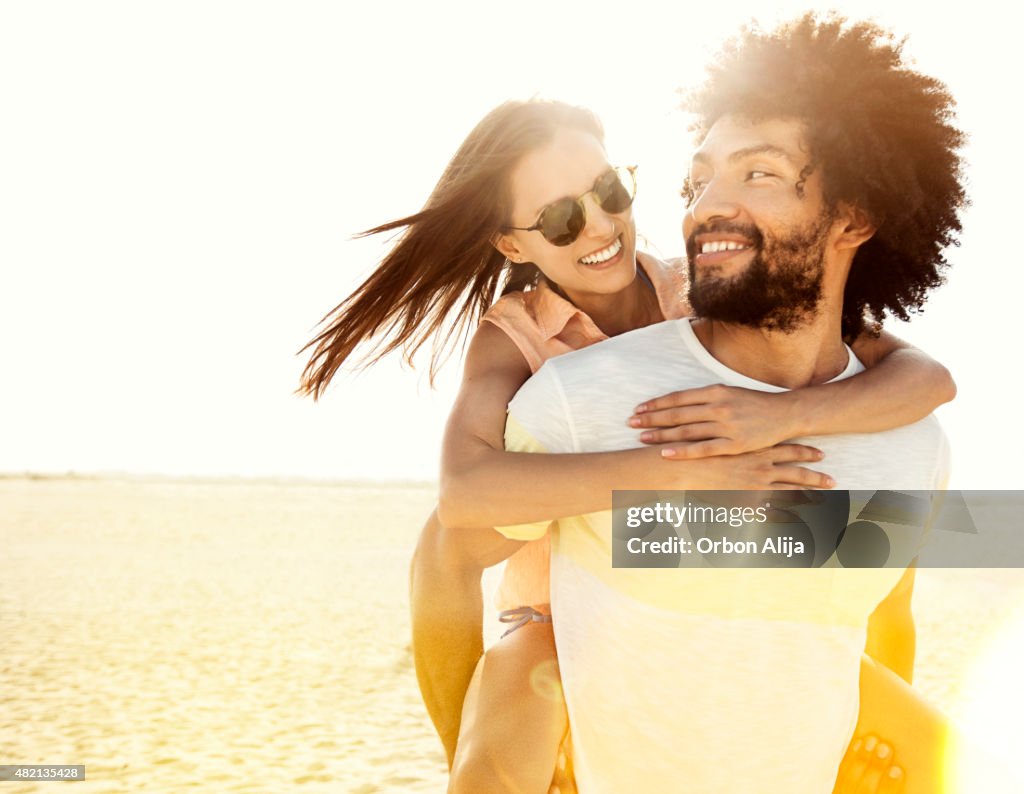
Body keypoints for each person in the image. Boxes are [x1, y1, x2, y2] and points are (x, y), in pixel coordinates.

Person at [299, 95, 955, 792]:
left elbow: (927, 378)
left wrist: (785, 417)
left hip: (699, 577)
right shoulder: (516, 339)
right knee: (502, 731)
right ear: (513, 245)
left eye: (609, 191)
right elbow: (462, 499)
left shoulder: (701, 287)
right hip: (554, 604)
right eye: (560, 218)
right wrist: (672, 469)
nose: (600, 225)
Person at [498, 14, 967, 793]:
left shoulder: (914, 444)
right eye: (699, 178)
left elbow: (883, 621)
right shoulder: (578, 402)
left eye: (758, 174)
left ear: (854, 216)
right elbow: (452, 557)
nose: (704, 206)